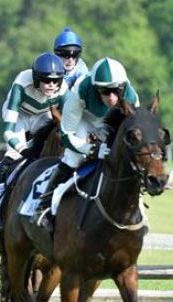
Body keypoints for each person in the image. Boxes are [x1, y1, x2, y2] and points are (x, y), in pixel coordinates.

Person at [34, 57, 140, 223]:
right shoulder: (81, 91)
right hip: (82, 119)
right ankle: (44, 204)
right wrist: (91, 150)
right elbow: (66, 135)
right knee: (73, 157)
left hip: (108, 124)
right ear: (96, 88)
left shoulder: (132, 98)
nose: (112, 98)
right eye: (105, 91)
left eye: (116, 91)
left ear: (123, 87)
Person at [0, 54, 68, 224]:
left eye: (56, 80)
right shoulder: (22, 82)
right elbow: (8, 132)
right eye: (46, 80)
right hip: (18, 115)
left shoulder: (64, 89)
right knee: (13, 154)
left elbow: (68, 122)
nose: (52, 85)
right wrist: (22, 149)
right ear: (36, 79)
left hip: (42, 115)